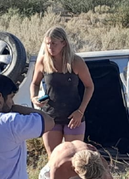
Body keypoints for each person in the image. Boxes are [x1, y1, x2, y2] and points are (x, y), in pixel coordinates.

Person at [30, 26, 94, 155]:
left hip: (73, 116)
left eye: (54, 43)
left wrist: (80, 111)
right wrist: (34, 97)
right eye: (47, 44)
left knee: (74, 158)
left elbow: (89, 86)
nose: (50, 47)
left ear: (63, 43)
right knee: (53, 158)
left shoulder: (76, 62)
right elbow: (35, 83)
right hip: (51, 116)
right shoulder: (43, 61)